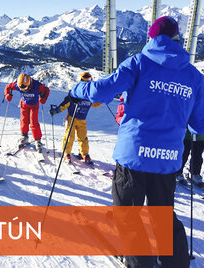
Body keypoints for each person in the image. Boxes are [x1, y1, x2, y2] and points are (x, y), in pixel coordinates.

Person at [71, 16, 203, 268]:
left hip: (135, 155)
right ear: (178, 39)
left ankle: (139, 262)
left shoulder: (139, 63)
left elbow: (100, 91)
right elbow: (200, 125)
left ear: (152, 38)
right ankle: (174, 262)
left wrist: (78, 90)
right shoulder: (194, 77)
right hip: (167, 162)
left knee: (129, 215)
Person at [50, 72, 101, 164]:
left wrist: (56, 110)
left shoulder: (87, 96)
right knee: (73, 136)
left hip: (81, 120)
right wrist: (101, 98)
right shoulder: (77, 95)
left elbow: (64, 105)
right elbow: (66, 104)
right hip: (72, 119)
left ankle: (83, 154)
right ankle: (70, 153)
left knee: (81, 137)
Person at [4, 73, 50, 152]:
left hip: (34, 105)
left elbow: (46, 90)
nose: (23, 90)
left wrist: (44, 98)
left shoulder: (37, 86)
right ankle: (24, 136)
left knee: (33, 122)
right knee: (24, 120)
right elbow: (8, 87)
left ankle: (37, 140)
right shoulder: (17, 85)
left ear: (29, 84)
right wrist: (7, 94)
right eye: (21, 89)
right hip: (24, 104)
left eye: (25, 88)